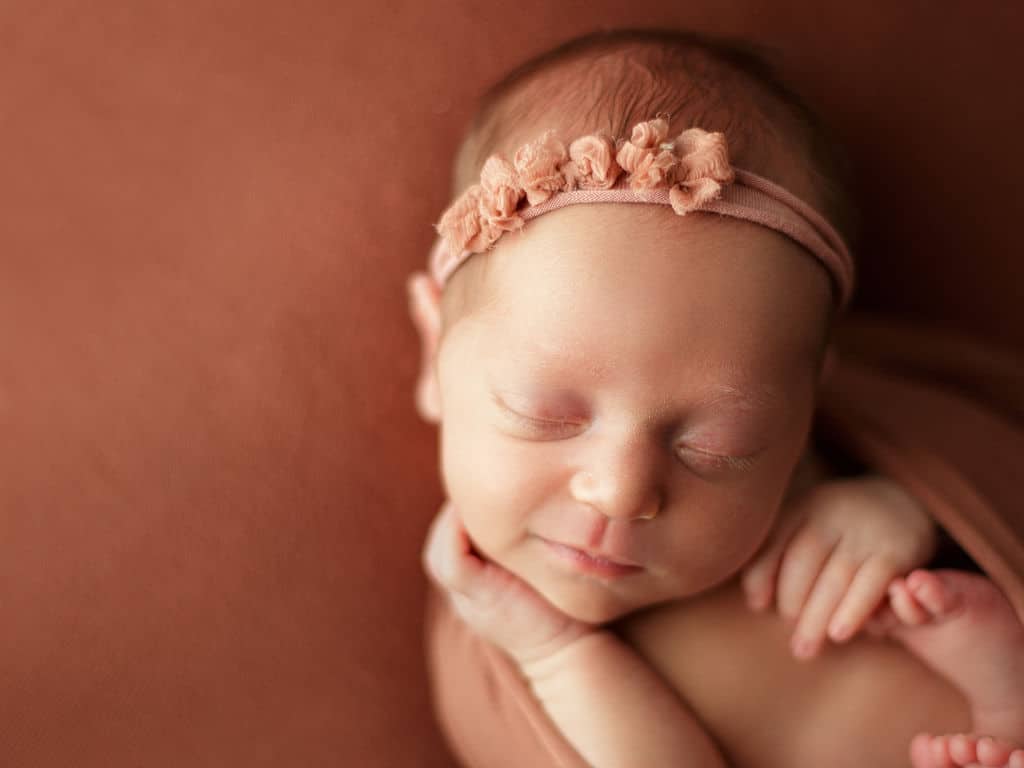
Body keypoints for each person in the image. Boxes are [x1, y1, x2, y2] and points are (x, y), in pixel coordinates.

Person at [406, 27, 1024, 768]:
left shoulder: (840, 461)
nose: (621, 491)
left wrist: (908, 507)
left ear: (805, 405)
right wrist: (557, 655)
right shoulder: (495, 638)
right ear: (432, 350)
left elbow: (996, 453)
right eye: (545, 415)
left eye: (716, 447)